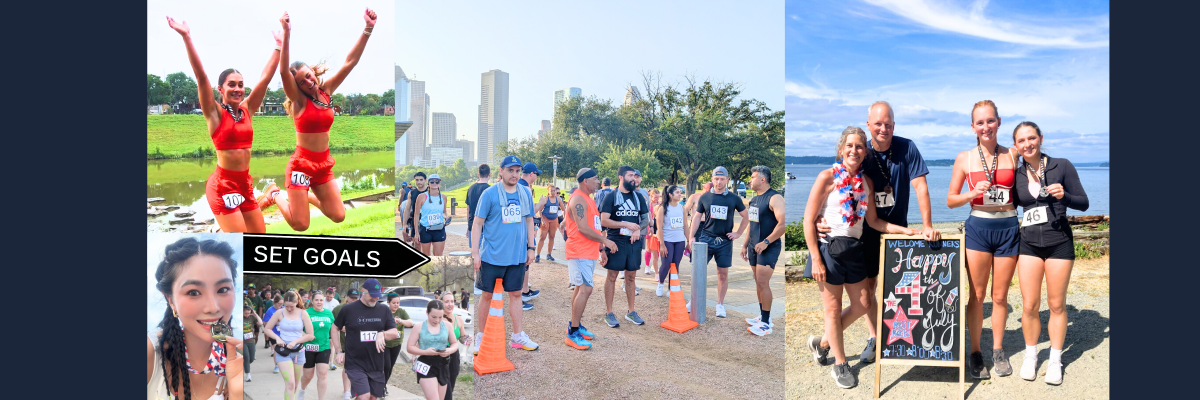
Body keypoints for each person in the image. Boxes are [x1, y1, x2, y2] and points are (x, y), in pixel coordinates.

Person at [816, 101, 942, 361]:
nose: (883, 129)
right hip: (865, 230)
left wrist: (927, 225)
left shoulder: (907, 147)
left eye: (888, 124)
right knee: (868, 291)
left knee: (899, 287)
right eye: (878, 124)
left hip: (896, 228)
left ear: (894, 125)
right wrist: (819, 216)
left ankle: (826, 341)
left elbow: (921, 188)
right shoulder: (861, 153)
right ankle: (875, 338)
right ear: (868, 125)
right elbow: (840, 186)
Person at [804, 126, 919, 389]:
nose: (854, 150)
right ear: (841, 149)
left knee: (864, 303)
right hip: (828, 248)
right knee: (832, 309)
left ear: (865, 151)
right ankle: (840, 364)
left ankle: (822, 343)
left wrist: (908, 230)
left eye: (859, 146)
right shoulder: (827, 177)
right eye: (849, 146)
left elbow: (875, 222)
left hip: (854, 249)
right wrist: (816, 259)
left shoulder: (865, 183)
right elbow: (807, 220)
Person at [262, 9, 378, 232]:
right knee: (300, 224)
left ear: (313, 72)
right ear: (296, 86)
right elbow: (284, 74)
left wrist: (368, 29)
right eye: (302, 81)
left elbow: (350, 62)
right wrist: (286, 34)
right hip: (301, 167)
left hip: (323, 166)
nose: (309, 81)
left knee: (338, 215)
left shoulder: (327, 91)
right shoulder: (298, 101)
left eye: (309, 75)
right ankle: (275, 194)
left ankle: (303, 197)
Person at [165, 16, 280, 233]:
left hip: (244, 184)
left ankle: (250, 209)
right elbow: (201, 77)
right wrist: (186, 36)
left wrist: (278, 47)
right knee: (239, 244)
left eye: (241, 85)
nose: (238, 89)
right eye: (232, 85)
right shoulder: (214, 113)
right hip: (222, 186)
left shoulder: (247, 110)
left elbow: (264, 80)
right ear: (220, 89)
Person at [947, 100, 1021, 379]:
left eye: (990, 121)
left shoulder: (1013, 154)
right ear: (973, 127)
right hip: (978, 228)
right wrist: (972, 193)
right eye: (980, 122)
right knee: (977, 296)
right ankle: (976, 352)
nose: (986, 127)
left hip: (1008, 229)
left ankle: (999, 351)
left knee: (1000, 296)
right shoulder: (964, 158)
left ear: (999, 122)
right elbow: (951, 200)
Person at [1011, 121, 1089, 385]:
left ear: (1040, 138)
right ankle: (1031, 356)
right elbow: (1007, 204)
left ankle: (1055, 359)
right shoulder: (1017, 173)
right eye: (1021, 141)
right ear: (1016, 146)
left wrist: (1064, 196)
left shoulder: (1061, 165)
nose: (1027, 144)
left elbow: (1083, 202)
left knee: (1056, 304)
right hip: (1029, 245)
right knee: (1030, 305)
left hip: (1059, 243)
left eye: (1031, 138)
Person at [147, 237, 243, 400]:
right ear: (171, 300)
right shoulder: (151, 354)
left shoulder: (237, 359)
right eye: (193, 292)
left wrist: (236, 394)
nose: (213, 307)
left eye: (223, 289)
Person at [470, 155, 540, 354]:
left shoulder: (525, 193)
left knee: (516, 294)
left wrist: (531, 247)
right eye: (511, 170)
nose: (515, 174)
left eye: (518, 171)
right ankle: (480, 336)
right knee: (487, 295)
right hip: (491, 256)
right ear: (501, 171)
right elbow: (477, 223)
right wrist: (475, 252)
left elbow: (529, 220)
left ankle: (518, 336)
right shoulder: (490, 194)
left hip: (517, 256)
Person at [564, 168, 619, 349]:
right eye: (595, 179)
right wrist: (605, 240)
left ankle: (575, 325)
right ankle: (573, 332)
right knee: (586, 289)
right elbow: (581, 227)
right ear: (585, 181)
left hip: (588, 251)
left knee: (581, 287)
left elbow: (594, 227)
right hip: (579, 251)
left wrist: (601, 249)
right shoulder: (578, 198)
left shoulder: (590, 199)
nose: (598, 182)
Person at [690, 166, 749, 318]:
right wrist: (691, 237)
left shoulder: (734, 198)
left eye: (722, 179)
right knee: (698, 272)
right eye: (716, 179)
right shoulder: (705, 197)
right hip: (706, 238)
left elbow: (745, 216)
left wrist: (738, 233)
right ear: (712, 179)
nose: (719, 182)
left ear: (727, 180)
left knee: (722, 274)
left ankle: (720, 304)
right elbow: (696, 217)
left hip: (724, 241)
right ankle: (694, 300)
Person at [600, 166, 651, 328]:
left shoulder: (639, 197)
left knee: (631, 277)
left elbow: (646, 219)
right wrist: (626, 224)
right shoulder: (611, 197)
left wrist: (638, 229)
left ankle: (631, 311)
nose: (634, 179)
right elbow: (604, 221)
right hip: (616, 241)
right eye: (630, 176)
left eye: (635, 176)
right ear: (621, 177)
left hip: (633, 242)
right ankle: (609, 313)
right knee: (612, 276)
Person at [335, 279, 399, 400]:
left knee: (372, 397)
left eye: (377, 296)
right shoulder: (348, 309)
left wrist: (382, 334)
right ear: (363, 292)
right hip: (355, 363)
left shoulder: (384, 310)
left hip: (376, 363)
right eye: (372, 296)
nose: (375, 299)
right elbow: (334, 328)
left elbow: (394, 333)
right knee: (364, 396)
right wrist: (338, 351)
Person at [743, 166, 786, 336]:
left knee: (763, 282)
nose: (750, 180)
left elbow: (782, 224)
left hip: (769, 247)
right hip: (754, 247)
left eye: (753, 177)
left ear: (762, 179)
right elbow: (752, 224)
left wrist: (766, 242)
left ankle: (766, 323)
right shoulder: (754, 200)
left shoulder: (775, 198)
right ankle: (762, 316)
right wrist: (745, 245)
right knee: (758, 281)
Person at [264, 291, 316, 400]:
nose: (289, 309)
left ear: (296, 302)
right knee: (290, 384)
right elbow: (267, 329)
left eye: (291, 306)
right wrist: (277, 338)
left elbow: (310, 335)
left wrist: (296, 341)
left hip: (299, 353)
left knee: (295, 385)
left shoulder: (303, 313)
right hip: (283, 352)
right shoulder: (279, 313)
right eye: (286, 306)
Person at [407, 300, 461, 400]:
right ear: (427, 313)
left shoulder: (447, 325)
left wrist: (449, 351)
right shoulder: (419, 326)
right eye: (434, 317)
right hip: (425, 363)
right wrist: (424, 352)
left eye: (440, 317)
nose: (437, 320)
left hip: (443, 364)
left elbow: (454, 343)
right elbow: (409, 347)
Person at [299, 293, 339, 400]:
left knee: (322, 374)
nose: (319, 302)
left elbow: (334, 328)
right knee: (308, 375)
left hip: (324, 347)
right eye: (317, 300)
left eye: (321, 300)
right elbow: (298, 329)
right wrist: (306, 335)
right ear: (312, 301)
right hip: (308, 348)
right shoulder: (306, 313)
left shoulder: (328, 313)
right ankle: (302, 389)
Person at [654, 185, 691, 297]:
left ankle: (671, 288)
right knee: (666, 264)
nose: (680, 194)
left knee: (675, 265)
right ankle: (660, 283)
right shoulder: (663, 208)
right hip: (667, 240)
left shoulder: (682, 208)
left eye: (680, 192)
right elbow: (659, 228)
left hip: (679, 240)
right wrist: (662, 244)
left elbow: (685, 225)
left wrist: (689, 241)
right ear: (670, 195)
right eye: (677, 192)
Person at [518, 162, 543, 310]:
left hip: (521, 229)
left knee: (524, 263)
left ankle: (525, 291)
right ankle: (522, 294)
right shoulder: (525, 187)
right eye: (536, 174)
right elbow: (530, 211)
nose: (536, 177)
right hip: (523, 230)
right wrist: (541, 203)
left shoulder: (519, 186)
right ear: (531, 174)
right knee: (524, 262)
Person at [383, 293, 415, 394]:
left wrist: (400, 320)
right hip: (385, 343)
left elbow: (410, 323)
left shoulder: (401, 312)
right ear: (388, 302)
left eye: (398, 303)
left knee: (391, 366)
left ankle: (383, 386)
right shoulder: (385, 311)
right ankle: (381, 386)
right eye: (394, 303)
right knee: (386, 366)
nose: (396, 305)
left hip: (397, 343)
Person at [332, 288, 360, 399]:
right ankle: (346, 391)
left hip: (359, 343)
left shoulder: (362, 309)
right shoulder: (339, 309)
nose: (354, 300)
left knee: (358, 368)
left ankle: (355, 389)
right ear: (347, 298)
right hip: (344, 343)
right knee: (347, 367)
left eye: (356, 298)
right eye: (352, 298)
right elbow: (333, 326)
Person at [440, 293, 469, 399]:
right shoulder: (437, 319)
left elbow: (461, 338)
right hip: (441, 354)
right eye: (446, 301)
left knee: (451, 386)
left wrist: (467, 339)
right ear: (441, 303)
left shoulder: (459, 320)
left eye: (452, 301)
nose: (450, 304)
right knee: (445, 389)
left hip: (454, 355)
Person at [415, 173, 450, 256]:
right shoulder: (422, 196)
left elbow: (444, 212)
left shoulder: (443, 197)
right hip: (425, 229)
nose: (434, 183)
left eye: (437, 182)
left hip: (439, 229)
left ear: (439, 184)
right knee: (426, 256)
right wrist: (416, 233)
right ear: (428, 183)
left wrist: (447, 218)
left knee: (438, 257)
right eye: (432, 181)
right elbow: (416, 215)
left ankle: (437, 269)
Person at [465, 164, 492, 249]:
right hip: (487, 228)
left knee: (474, 253)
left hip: (472, 225)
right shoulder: (491, 190)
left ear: (478, 175)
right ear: (489, 174)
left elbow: (468, 209)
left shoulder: (471, 188)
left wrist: (468, 226)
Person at [535, 185, 563, 263]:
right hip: (546, 219)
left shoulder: (558, 200)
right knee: (542, 237)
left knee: (552, 236)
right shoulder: (546, 199)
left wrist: (564, 219)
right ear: (548, 191)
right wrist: (542, 220)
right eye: (551, 191)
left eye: (554, 191)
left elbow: (564, 209)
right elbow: (539, 210)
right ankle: (538, 255)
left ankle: (549, 254)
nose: (553, 192)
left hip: (554, 219)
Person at [403, 173, 429, 246]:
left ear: (425, 180)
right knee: (417, 245)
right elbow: (407, 209)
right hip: (416, 221)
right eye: (417, 180)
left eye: (421, 180)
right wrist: (404, 224)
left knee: (428, 246)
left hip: (428, 221)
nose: (419, 182)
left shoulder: (430, 191)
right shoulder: (412, 193)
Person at [644, 188, 661, 277]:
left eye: (658, 197)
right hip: (649, 227)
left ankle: (654, 266)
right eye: (655, 197)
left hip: (657, 228)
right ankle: (647, 265)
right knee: (649, 248)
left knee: (656, 248)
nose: (656, 199)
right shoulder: (648, 205)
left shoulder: (660, 204)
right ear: (651, 196)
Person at [263, 295, 284, 360]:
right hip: (273, 333)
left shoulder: (284, 309)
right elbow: (265, 323)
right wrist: (275, 322)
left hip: (283, 333)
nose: (280, 305)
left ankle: (281, 364)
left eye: (282, 304)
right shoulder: (270, 310)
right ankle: (276, 366)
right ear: (275, 302)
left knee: (283, 350)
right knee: (277, 350)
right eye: (279, 303)